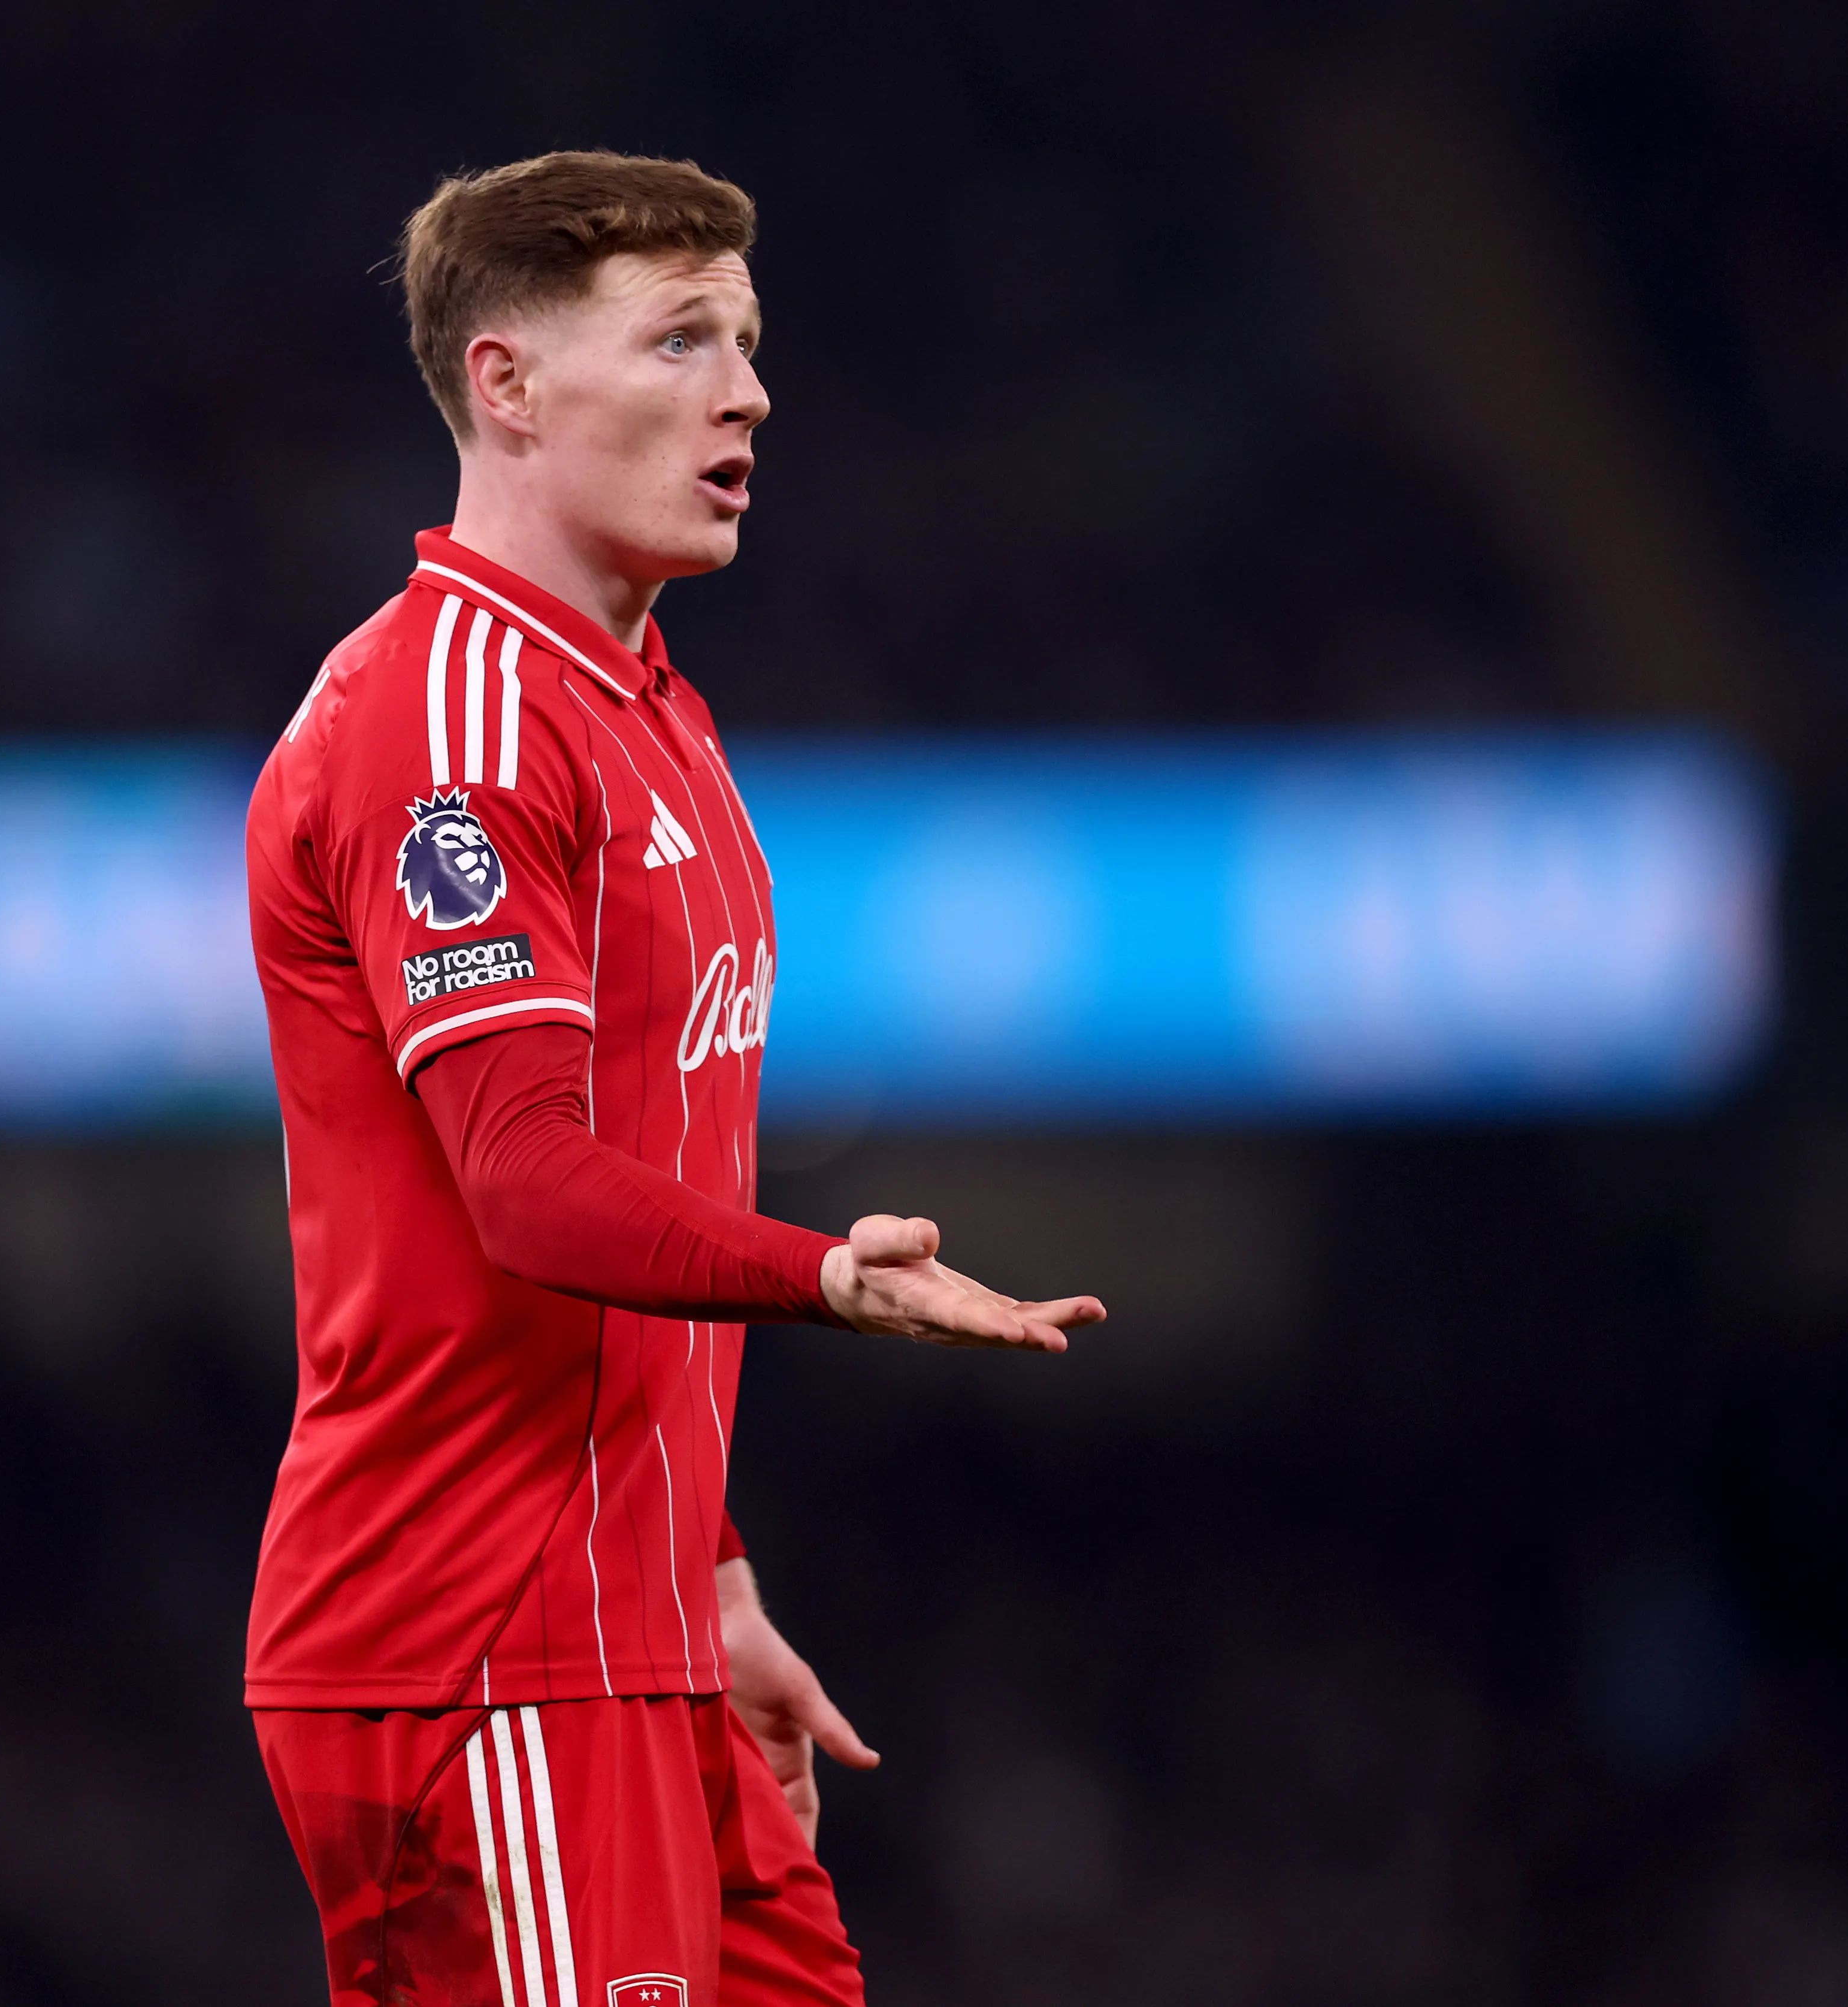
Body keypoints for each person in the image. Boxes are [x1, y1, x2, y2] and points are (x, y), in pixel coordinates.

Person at [242, 150, 1106, 2007]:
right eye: (684, 338)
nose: (748, 391)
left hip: (628, 1635)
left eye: (751, 341)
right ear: (509, 386)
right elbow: (527, 1184)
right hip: (475, 1644)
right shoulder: (448, 729)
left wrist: (706, 1586)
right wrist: (825, 1274)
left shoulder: (653, 712)